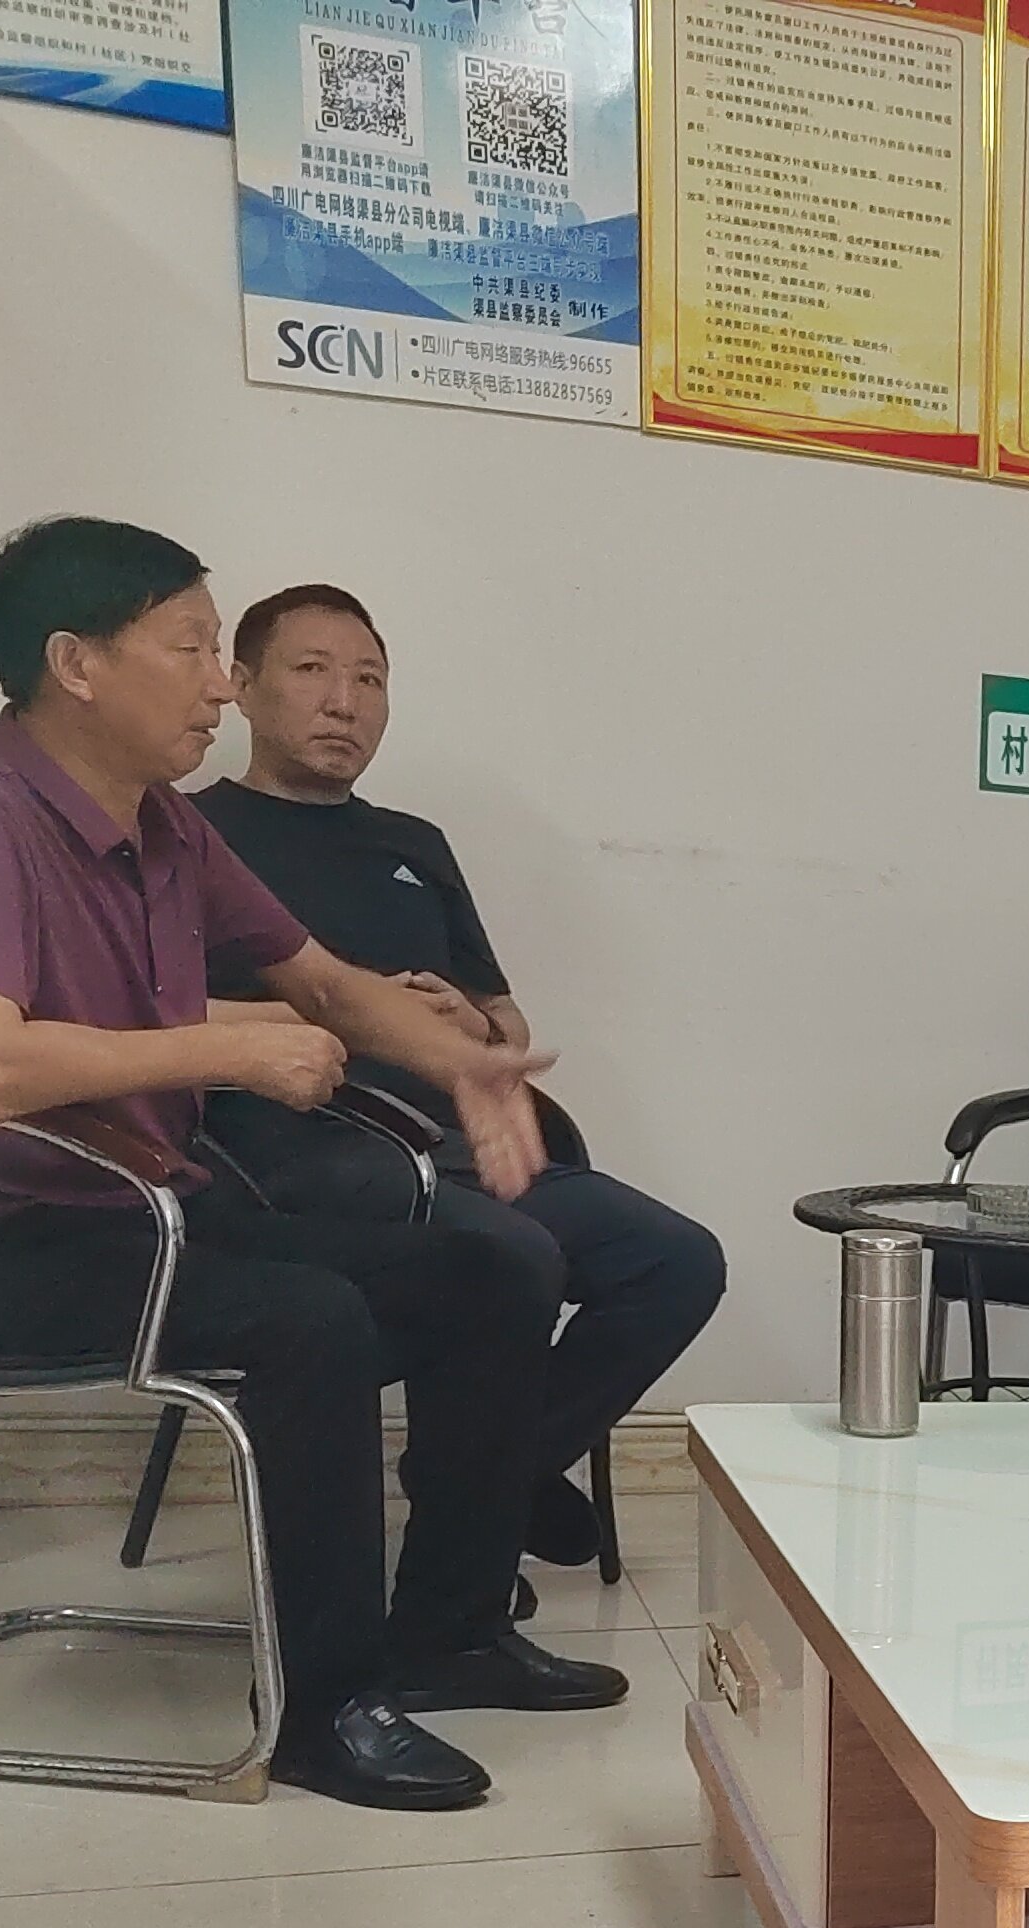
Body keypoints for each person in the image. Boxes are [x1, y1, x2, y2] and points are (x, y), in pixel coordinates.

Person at [0, 515, 635, 1813]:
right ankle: (322, 1710)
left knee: (499, 1262)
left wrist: (467, 1065)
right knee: (308, 1317)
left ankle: (448, 1632)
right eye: (190, 648)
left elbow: (325, 984)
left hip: (153, 1214)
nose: (219, 686)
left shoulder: (167, 828)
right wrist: (223, 1047)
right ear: (76, 663)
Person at [191, 584, 726, 1579]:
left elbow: (505, 1021)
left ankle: (476, 1478)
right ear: (242, 685)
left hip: (461, 1143)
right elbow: (157, 1014)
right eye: (312, 671)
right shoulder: (192, 836)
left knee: (676, 1261)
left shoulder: (413, 845)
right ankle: (478, 1518)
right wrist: (347, 1021)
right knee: (504, 1261)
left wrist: (468, 1023)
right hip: (295, 1159)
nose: (344, 701)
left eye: (370, 680)